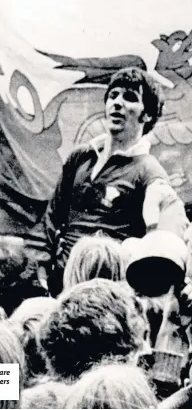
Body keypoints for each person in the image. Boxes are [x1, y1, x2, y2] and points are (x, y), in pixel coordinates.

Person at [42, 67, 189, 296]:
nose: (117, 103)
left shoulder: (149, 171)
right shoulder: (81, 156)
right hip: (59, 286)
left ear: (147, 115)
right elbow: (51, 219)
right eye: (113, 95)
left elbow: (170, 230)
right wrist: (39, 270)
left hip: (107, 292)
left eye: (130, 97)